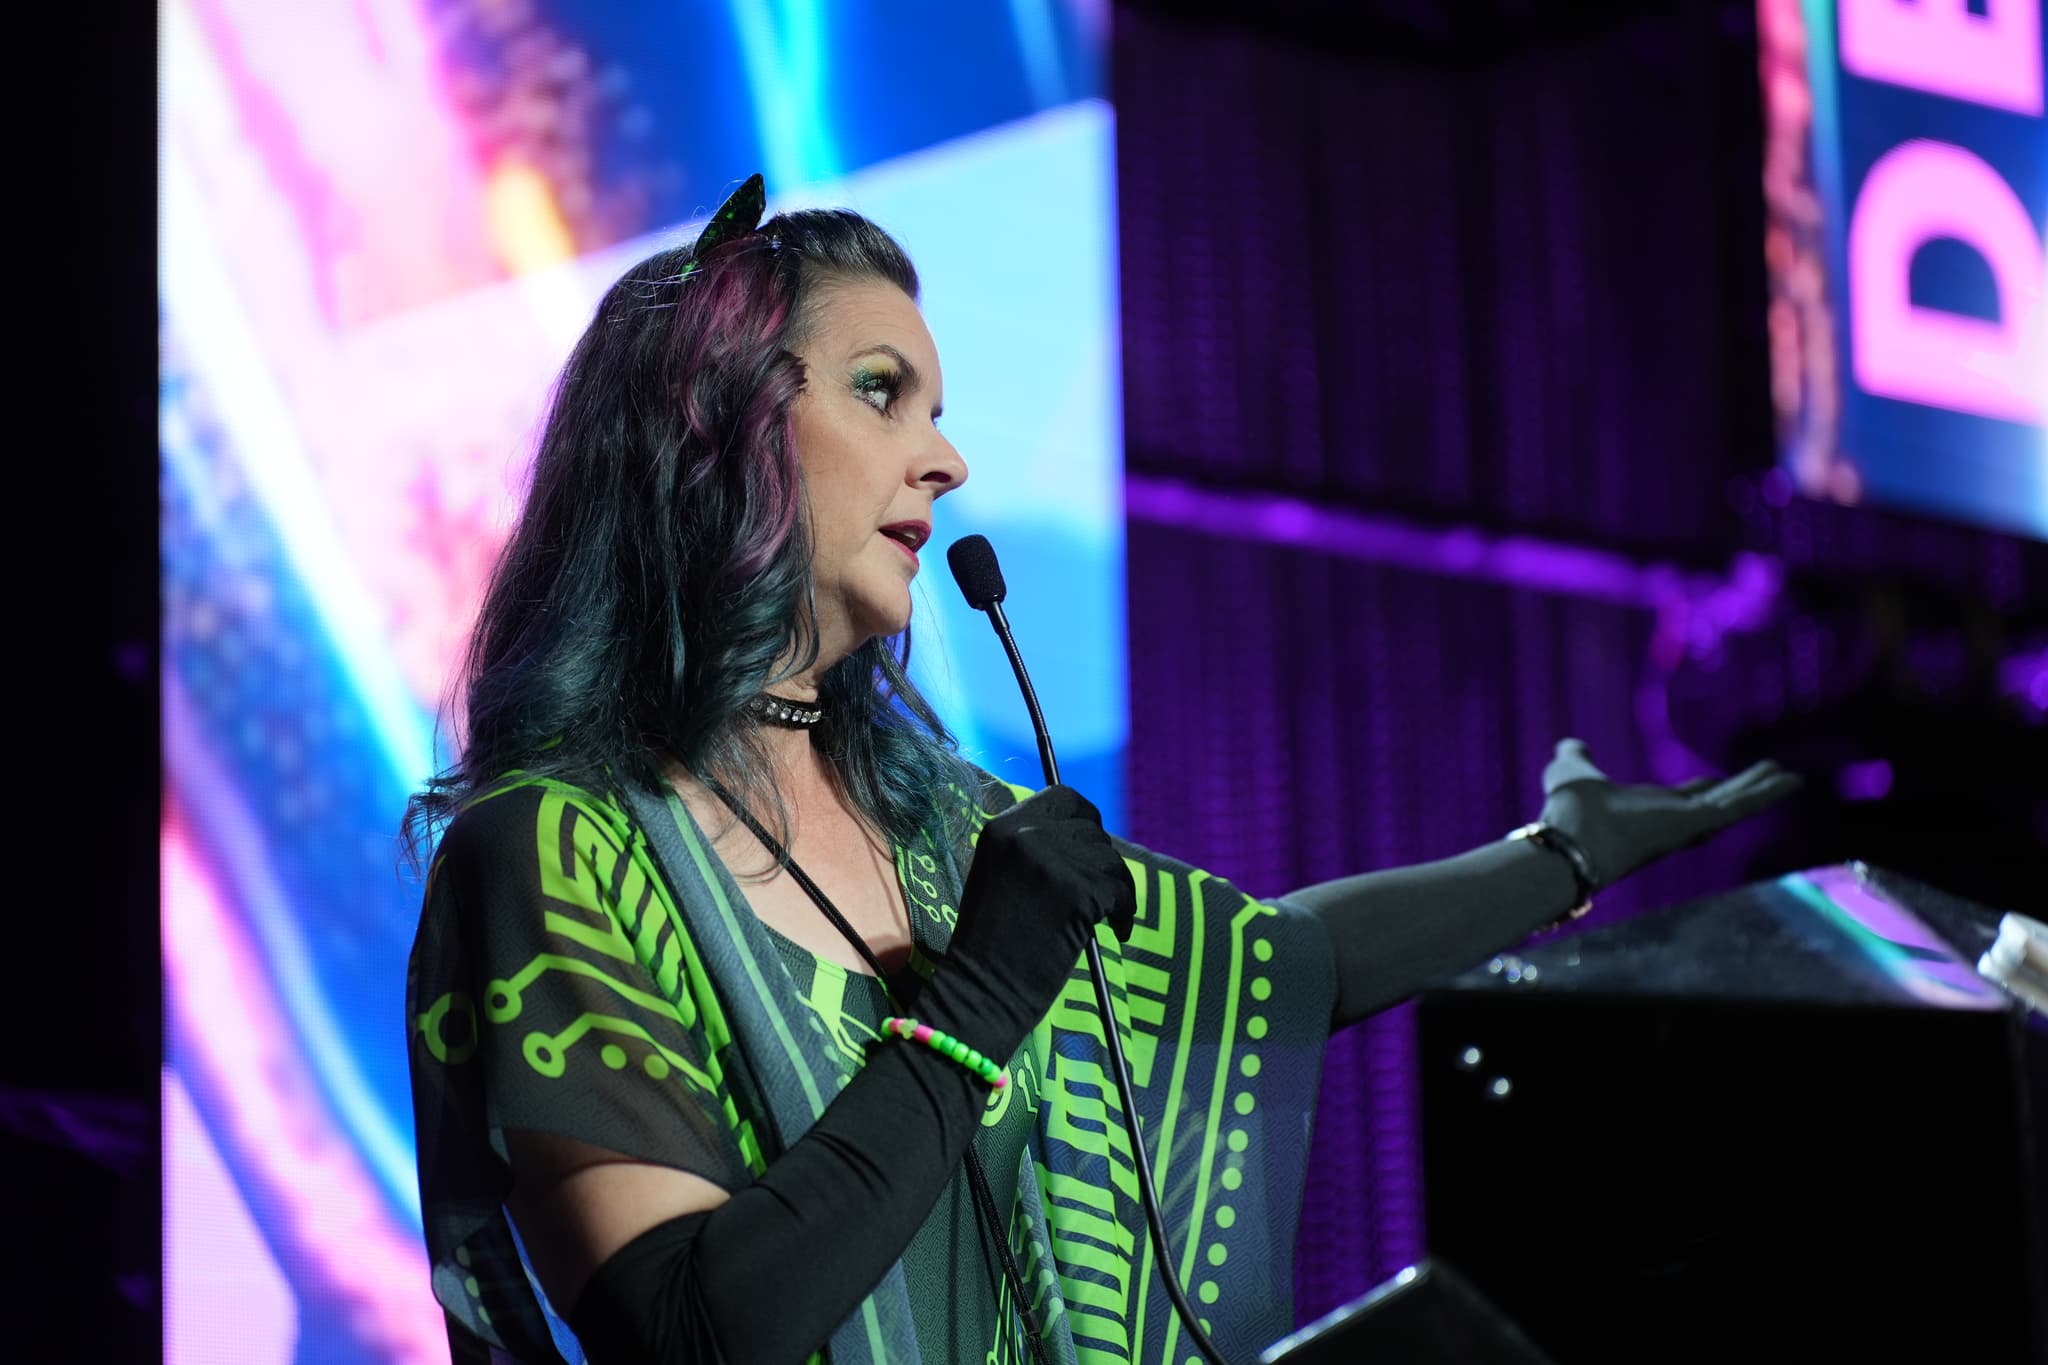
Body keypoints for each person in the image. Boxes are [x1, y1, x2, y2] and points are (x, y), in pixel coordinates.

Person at [404, 174, 1800, 1365]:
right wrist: (980, 1001)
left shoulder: (938, 822)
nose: (944, 460)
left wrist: (1559, 856)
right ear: (709, 424)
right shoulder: (563, 845)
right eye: (881, 393)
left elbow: (1266, 968)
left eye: (937, 409)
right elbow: (692, 1327)